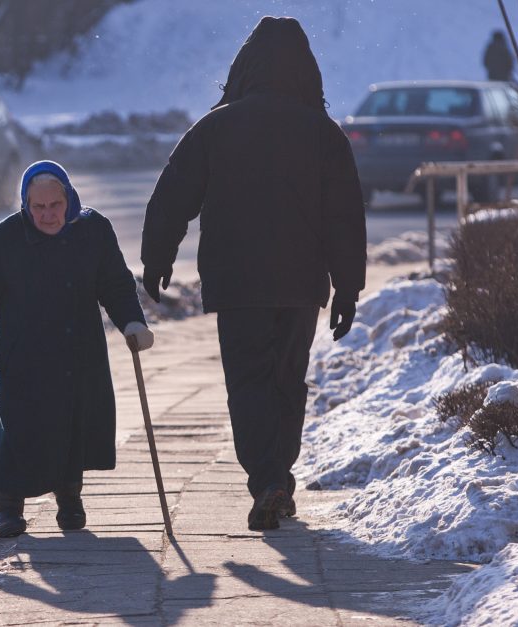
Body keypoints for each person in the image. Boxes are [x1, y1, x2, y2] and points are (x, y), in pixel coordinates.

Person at [140, 16, 366, 531]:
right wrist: (348, 286)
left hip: (237, 282)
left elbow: (173, 194)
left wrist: (157, 259)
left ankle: (266, 476)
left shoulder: (217, 127)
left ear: (244, 66)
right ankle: (277, 474)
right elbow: (345, 218)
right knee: (288, 379)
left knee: (248, 381)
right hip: (299, 284)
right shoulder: (323, 134)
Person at [0, 160, 153, 538]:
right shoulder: (3, 241)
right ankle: (7, 505)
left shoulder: (94, 230)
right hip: (25, 354)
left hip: (79, 350)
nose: (47, 215)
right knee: (21, 427)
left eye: (54, 205)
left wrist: (132, 322)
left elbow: (116, 284)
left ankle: (70, 499)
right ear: (25, 204)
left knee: (73, 423)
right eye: (37, 207)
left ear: (68, 198)